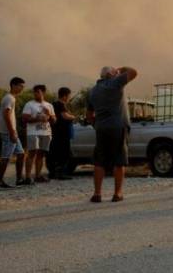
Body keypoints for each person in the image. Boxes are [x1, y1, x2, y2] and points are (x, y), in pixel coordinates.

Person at [86, 66, 137, 203]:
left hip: (101, 128)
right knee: (119, 161)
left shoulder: (93, 91)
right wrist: (120, 69)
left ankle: (97, 194)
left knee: (99, 161)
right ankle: (117, 193)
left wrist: (96, 125)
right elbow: (133, 72)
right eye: (114, 72)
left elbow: (89, 115)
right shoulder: (115, 82)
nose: (117, 73)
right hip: (118, 126)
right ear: (109, 74)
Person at [0, 77, 26, 188]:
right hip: (8, 132)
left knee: (21, 154)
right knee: (6, 156)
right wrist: (12, 132)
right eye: (21, 86)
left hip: (12, 131)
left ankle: (19, 179)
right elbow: (6, 114)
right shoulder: (9, 98)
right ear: (13, 85)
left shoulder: (11, 98)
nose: (22, 88)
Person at [22, 85, 56, 184]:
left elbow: (54, 121)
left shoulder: (49, 105)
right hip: (33, 132)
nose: (36, 93)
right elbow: (24, 118)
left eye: (38, 91)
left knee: (41, 154)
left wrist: (49, 114)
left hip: (46, 132)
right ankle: (28, 177)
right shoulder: (29, 104)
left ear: (43, 93)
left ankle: (38, 176)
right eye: (35, 92)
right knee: (32, 153)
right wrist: (37, 118)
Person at [49, 87, 75, 180]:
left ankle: (52, 172)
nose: (69, 97)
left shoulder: (53, 104)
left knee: (54, 152)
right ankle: (61, 173)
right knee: (64, 153)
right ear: (64, 96)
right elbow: (65, 116)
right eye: (69, 95)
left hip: (55, 132)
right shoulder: (61, 105)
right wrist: (73, 117)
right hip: (62, 133)